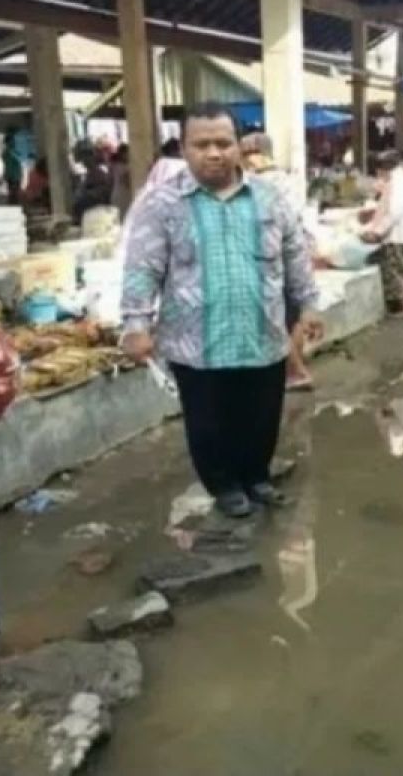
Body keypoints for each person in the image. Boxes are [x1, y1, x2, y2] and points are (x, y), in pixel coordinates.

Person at [120, 103, 324, 519]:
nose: (213, 153)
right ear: (184, 147)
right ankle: (224, 484)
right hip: (196, 341)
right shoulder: (161, 204)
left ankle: (256, 477)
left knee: (262, 415)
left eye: (223, 143)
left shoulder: (270, 198)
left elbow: (295, 256)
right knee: (209, 422)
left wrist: (308, 306)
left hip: (262, 333)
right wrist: (136, 323)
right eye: (202, 144)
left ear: (239, 146)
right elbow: (142, 267)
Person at [240, 131, 316, 391]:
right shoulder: (288, 179)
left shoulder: (257, 183)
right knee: (291, 313)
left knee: (275, 315)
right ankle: (293, 367)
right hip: (295, 249)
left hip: (274, 255)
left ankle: (295, 371)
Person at [363, 151, 403, 317]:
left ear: (385, 169)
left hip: (399, 235)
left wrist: (377, 232)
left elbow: (394, 211)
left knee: (397, 272)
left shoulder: (398, 182)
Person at [109, 144, 133, 218]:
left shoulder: (115, 166)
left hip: (117, 196)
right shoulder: (124, 168)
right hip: (123, 197)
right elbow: (127, 183)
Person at [2, 128, 23, 205]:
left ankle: (13, 201)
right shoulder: (11, 150)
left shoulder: (7, 151)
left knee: (12, 189)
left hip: (12, 174)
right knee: (14, 190)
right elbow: (19, 159)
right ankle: (14, 202)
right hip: (14, 174)